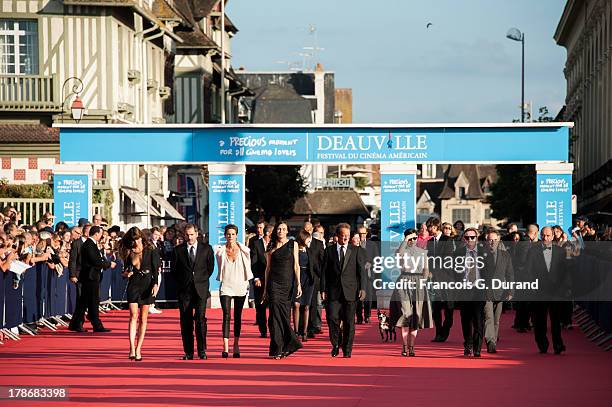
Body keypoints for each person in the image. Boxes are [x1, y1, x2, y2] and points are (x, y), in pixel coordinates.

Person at [321, 223, 367, 358]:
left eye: (348, 235)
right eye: (343, 235)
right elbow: (324, 272)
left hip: (351, 291)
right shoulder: (329, 251)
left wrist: (362, 288)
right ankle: (336, 343)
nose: (346, 238)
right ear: (337, 236)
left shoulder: (356, 250)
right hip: (333, 291)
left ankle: (347, 349)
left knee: (349, 322)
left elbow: (361, 272)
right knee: (332, 318)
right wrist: (322, 289)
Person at [171, 224, 214, 360]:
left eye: (191, 234)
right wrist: (184, 282)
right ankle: (188, 352)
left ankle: (202, 351)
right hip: (185, 291)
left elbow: (210, 268)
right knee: (186, 321)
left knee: (200, 320)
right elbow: (174, 271)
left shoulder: (207, 249)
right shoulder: (178, 250)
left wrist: (200, 280)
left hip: (200, 289)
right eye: (187, 235)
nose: (189, 237)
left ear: (197, 234)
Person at [262, 222, 303, 359]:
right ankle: (277, 349)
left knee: (284, 315)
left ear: (287, 231)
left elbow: (296, 266)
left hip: (287, 285)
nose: (281, 231)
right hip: (274, 284)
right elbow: (267, 269)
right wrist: (265, 290)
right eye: (279, 229)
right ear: (276, 231)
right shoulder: (271, 246)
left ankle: (290, 344)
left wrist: (298, 284)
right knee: (274, 317)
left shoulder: (293, 245)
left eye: (284, 229)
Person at [389, 229, 433, 357]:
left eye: (414, 238)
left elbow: (426, 269)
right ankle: (403, 345)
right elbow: (398, 255)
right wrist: (405, 239)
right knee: (405, 313)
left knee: (416, 316)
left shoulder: (423, 252)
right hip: (404, 280)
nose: (412, 241)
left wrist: (423, 282)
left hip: (418, 282)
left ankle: (412, 346)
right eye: (410, 238)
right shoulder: (401, 251)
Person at [119, 227, 160, 361]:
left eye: (137, 238)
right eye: (133, 239)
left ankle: (139, 348)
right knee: (133, 315)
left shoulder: (151, 250)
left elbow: (155, 270)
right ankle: (131, 347)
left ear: (141, 237)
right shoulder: (129, 251)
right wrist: (126, 274)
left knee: (143, 318)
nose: (135, 242)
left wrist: (155, 284)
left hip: (147, 285)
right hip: (134, 284)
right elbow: (124, 271)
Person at [526, 226, 569, 354]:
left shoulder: (560, 251)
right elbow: (528, 270)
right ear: (540, 235)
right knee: (540, 321)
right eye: (543, 235)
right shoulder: (533, 250)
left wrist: (565, 288)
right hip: (539, 290)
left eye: (548, 235)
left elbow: (565, 271)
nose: (545, 238)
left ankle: (558, 345)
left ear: (553, 236)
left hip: (556, 290)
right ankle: (542, 344)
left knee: (556, 320)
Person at [215, 224, 253, 358]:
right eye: (228, 234)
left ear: (236, 235)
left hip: (240, 286)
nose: (230, 236)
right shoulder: (220, 251)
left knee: (238, 316)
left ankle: (236, 344)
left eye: (233, 234)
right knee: (226, 315)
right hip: (226, 286)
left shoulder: (244, 250)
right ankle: (225, 346)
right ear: (225, 236)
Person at [70, 226, 116, 333]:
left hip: (91, 277)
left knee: (85, 302)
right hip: (89, 277)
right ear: (96, 234)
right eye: (100, 234)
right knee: (92, 302)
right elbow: (96, 261)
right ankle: (96, 324)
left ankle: (77, 323)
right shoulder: (89, 245)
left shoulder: (91, 244)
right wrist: (109, 264)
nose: (101, 236)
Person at [454, 227, 485, 357]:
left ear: (476, 238)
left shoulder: (484, 252)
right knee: (465, 320)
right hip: (464, 290)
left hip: (479, 290)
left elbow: (489, 272)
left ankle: (477, 348)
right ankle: (468, 344)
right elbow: (453, 272)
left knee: (478, 320)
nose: (470, 240)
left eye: (472, 237)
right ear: (463, 239)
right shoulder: (459, 253)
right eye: (467, 237)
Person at [482, 229, 514, 353]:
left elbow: (510, 273)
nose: (492, 242)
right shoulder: (481, 254)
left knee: (496, 319)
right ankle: (491, 342)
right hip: (486, 292)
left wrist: (511, 291)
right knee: (488, 317)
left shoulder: (505, 255)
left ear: (499, 240)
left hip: (501, 292)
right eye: (490, 240)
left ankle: (493, 338)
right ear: (486, 241)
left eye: (495, 240)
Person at [427, 217, 454, 342]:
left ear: (437, 227)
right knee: (435, 308)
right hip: (433, 280)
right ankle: (438, 333)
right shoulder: (430, 241)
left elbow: (447, 259)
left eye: (431, 227)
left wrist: (434, 271)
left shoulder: (448, 240)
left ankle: (446, 330)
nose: (429, 229)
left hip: (446, 279)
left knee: (449, 308)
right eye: (428, 227)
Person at [291, 229, 316, 342]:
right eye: (308, 239)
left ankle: (304, 332)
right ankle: (296, 331)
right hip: (297, 278)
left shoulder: (310, 251)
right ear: (302, 238)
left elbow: (315, 266)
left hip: (308, 279)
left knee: (306, 306)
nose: (309, 241)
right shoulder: (294, 249)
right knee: (296, 305)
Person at [249, 223, 272, 338]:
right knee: (261, 306)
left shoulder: (275, 244)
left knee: (273, 305)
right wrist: (256, 277)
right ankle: (263, 330)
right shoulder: (256, 244)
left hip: (274, 280)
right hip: (260, 280)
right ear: (268, 233)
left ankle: (273, 329)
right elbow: (254, 262)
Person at [356, 226, 379, 325]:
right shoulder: (354, 243)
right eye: (360, 234)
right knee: (358, 297)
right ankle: (359, 317)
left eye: (364, 233)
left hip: (368, 274)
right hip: (356, 275)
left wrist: (371, 263)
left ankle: (367, 316)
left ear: (367, 234)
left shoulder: (372, 244)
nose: (362, 236)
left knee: (368, 297)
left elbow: (377, 258)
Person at [306, 223, 325, 338]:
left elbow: (322, 262)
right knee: (302, 305)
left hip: (315, 278)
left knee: (314, 304)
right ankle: (302, 328)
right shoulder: (298, 243)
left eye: (309, 229)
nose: (307, 231)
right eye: (305, 230)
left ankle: (312, 327)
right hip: (302, 278)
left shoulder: (318, 244)